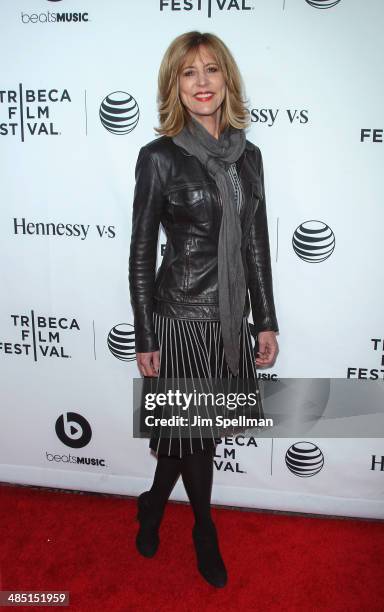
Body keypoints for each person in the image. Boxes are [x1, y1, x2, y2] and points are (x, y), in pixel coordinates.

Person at [128, 31, 279, 588]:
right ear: (175, 85)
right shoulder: (159, 158)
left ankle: (150, 504)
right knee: (191, 434)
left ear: (227, 79)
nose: (202, 83)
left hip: (230, 319)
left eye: (211, 70)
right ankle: (203, 528)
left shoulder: (249, 157)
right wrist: (146, 334)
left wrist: (264, 319)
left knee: (192, 433)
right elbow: (142, 251)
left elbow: (256, 244)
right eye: (189, 73)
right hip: (180, 315)